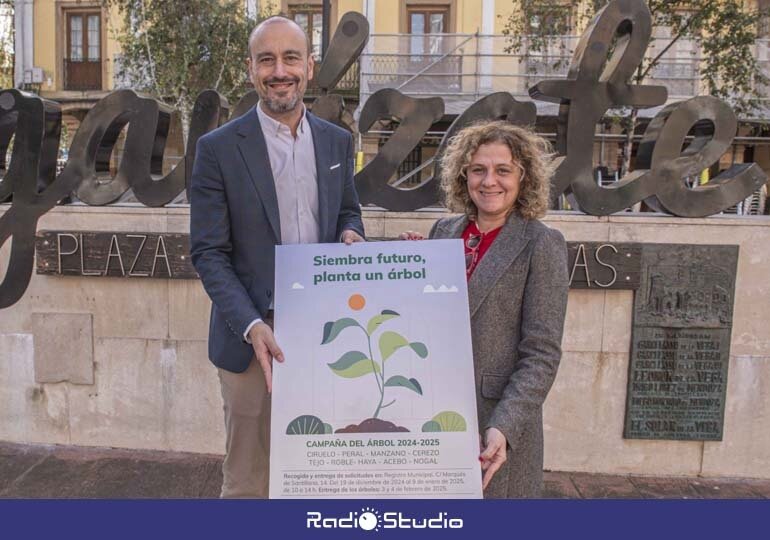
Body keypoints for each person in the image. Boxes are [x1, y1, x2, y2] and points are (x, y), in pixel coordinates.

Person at [189, 16, 365, 498]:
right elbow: (208, 252)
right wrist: (251, 324)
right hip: (251, 340)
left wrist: (351, 233)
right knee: (248, 480)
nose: (279, 70)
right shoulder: (217, 150)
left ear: (308, 66)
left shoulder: (336, 141)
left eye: (290, 58)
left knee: (321, 472)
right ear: (251, 69)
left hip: (326, 334)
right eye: (267, 59)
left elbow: (348, 211)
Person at [402, 121, 568, 497]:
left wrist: (505, 426)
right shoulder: (443, 233)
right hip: (433, 417)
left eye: (502, 170)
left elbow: (541, 354)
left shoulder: (541, 244)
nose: (489, 181)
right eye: (478, 169)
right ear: (464, 176)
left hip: (494, 424)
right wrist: (406, 267)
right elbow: (426, 322)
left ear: (523, 178)